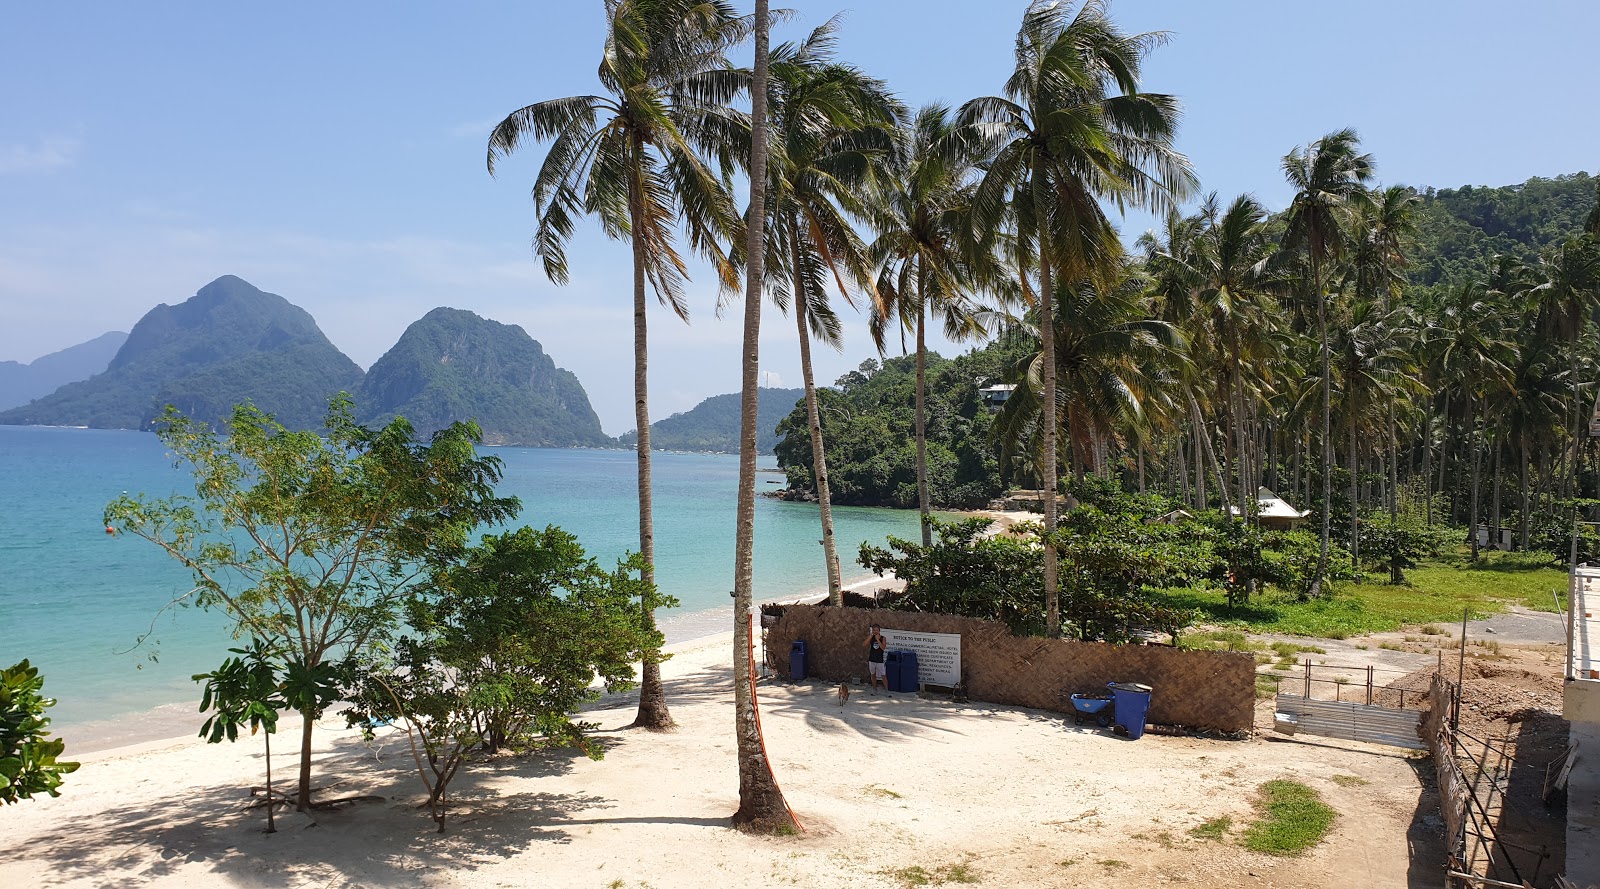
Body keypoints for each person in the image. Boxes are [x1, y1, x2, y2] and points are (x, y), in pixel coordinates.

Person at [865, 624, 888, 693]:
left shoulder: (883, 638)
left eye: (876, 630)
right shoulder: (871, 638)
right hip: (872, 659)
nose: (875, 631)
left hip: (879, 660)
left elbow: (883, 648)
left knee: (883, 675)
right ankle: (874, 689)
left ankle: (886, 689)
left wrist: (878, 640)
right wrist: (870, 637)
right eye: (873, 630)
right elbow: (864, 644)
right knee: (873, 674)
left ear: (879, 631)